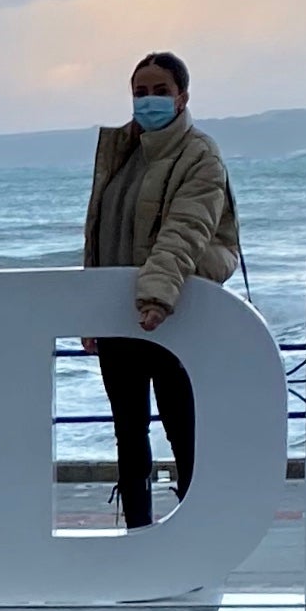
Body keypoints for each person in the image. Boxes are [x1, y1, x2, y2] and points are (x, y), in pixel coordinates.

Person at [79, 52, 241, 530]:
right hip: (117, 316)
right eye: (140, 92)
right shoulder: (121, 153)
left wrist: (156, 297)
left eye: (160, 91)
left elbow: (186, 231)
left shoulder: (200, 155)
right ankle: (138, 534)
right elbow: (99, 236)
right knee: (128, 433)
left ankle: (198, 534)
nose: (148, 101)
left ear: (182, 96)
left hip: (173, 310)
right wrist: (89, 311)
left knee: (182, 428)